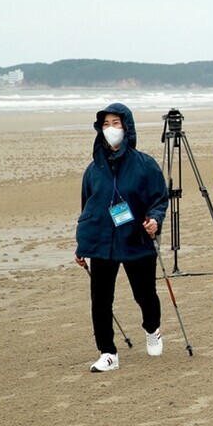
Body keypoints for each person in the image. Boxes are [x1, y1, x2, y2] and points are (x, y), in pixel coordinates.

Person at [75, 103, 169, 372]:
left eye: (116, 123)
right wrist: (82, 244)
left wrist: (154, 220)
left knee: (145, 295)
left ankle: (152, 329)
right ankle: (108, 353)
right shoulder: (93, 170)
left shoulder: (145, 164)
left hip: (136, 240)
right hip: (101, 243)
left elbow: (159, 200)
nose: (111, 129)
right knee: (101, 300)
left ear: (127, 127)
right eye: (105, 125)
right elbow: (87, 209)